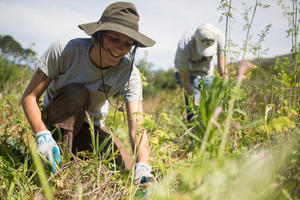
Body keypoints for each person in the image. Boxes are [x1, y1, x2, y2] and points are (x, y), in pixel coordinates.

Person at [21, 2, 155, 184]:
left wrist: (143, 164)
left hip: (91, 127)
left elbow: (136, 124)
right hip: (56, 120)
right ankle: (54, 175)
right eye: (114, 38)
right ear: (96, 36)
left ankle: (76, 157)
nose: (119, 49)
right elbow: (29, 97)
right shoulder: (65, 51)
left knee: (127, 168)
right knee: (77, 93)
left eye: (127, 44)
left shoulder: (129, 73)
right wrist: (41, 133)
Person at [174, 23, 228, 122]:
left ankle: (208, 133)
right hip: (188, 73)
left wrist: (225, 91)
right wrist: (193, 98)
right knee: (194, 110)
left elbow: (223, 69)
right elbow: (186, 82)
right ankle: (194, 134)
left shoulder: (220, 37)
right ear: (195, 40)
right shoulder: (184, 44)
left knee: (211, 107)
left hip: (207, 73)